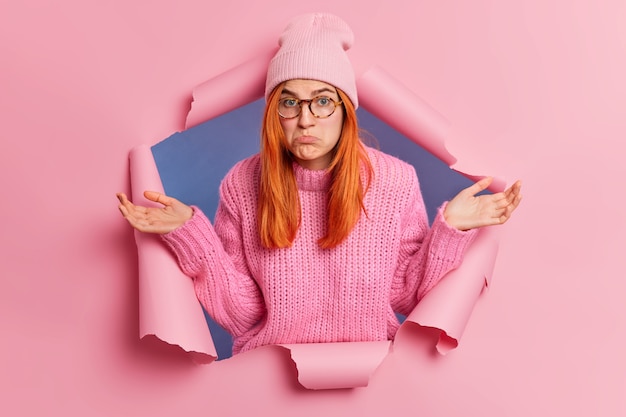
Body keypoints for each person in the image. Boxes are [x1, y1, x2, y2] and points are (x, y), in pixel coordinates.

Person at [117, 13, 522, 355]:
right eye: (289, 102)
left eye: (322, 100)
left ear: (346, 110)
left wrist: (451, 227)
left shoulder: (394, 181)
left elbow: (407, 295)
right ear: (275, 112)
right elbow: (240, 316)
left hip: (371, 380)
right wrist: (191, 233)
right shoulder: (243, 183)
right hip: (268, 379)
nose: (306, 119)